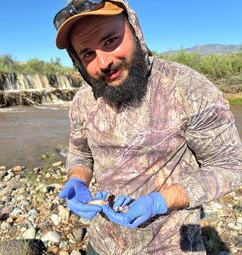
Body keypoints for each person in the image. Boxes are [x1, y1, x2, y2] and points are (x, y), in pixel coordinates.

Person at [54, 0, 242, 254]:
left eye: (110, 40)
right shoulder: (83, 101)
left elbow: (230, 166)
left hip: (172, 245)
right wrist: (77, 179)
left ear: (135, 29)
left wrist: (161, 201)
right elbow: (81, 152)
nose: (104, 62)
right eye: (88, 53)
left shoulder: (189, 89)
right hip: (103, 242)